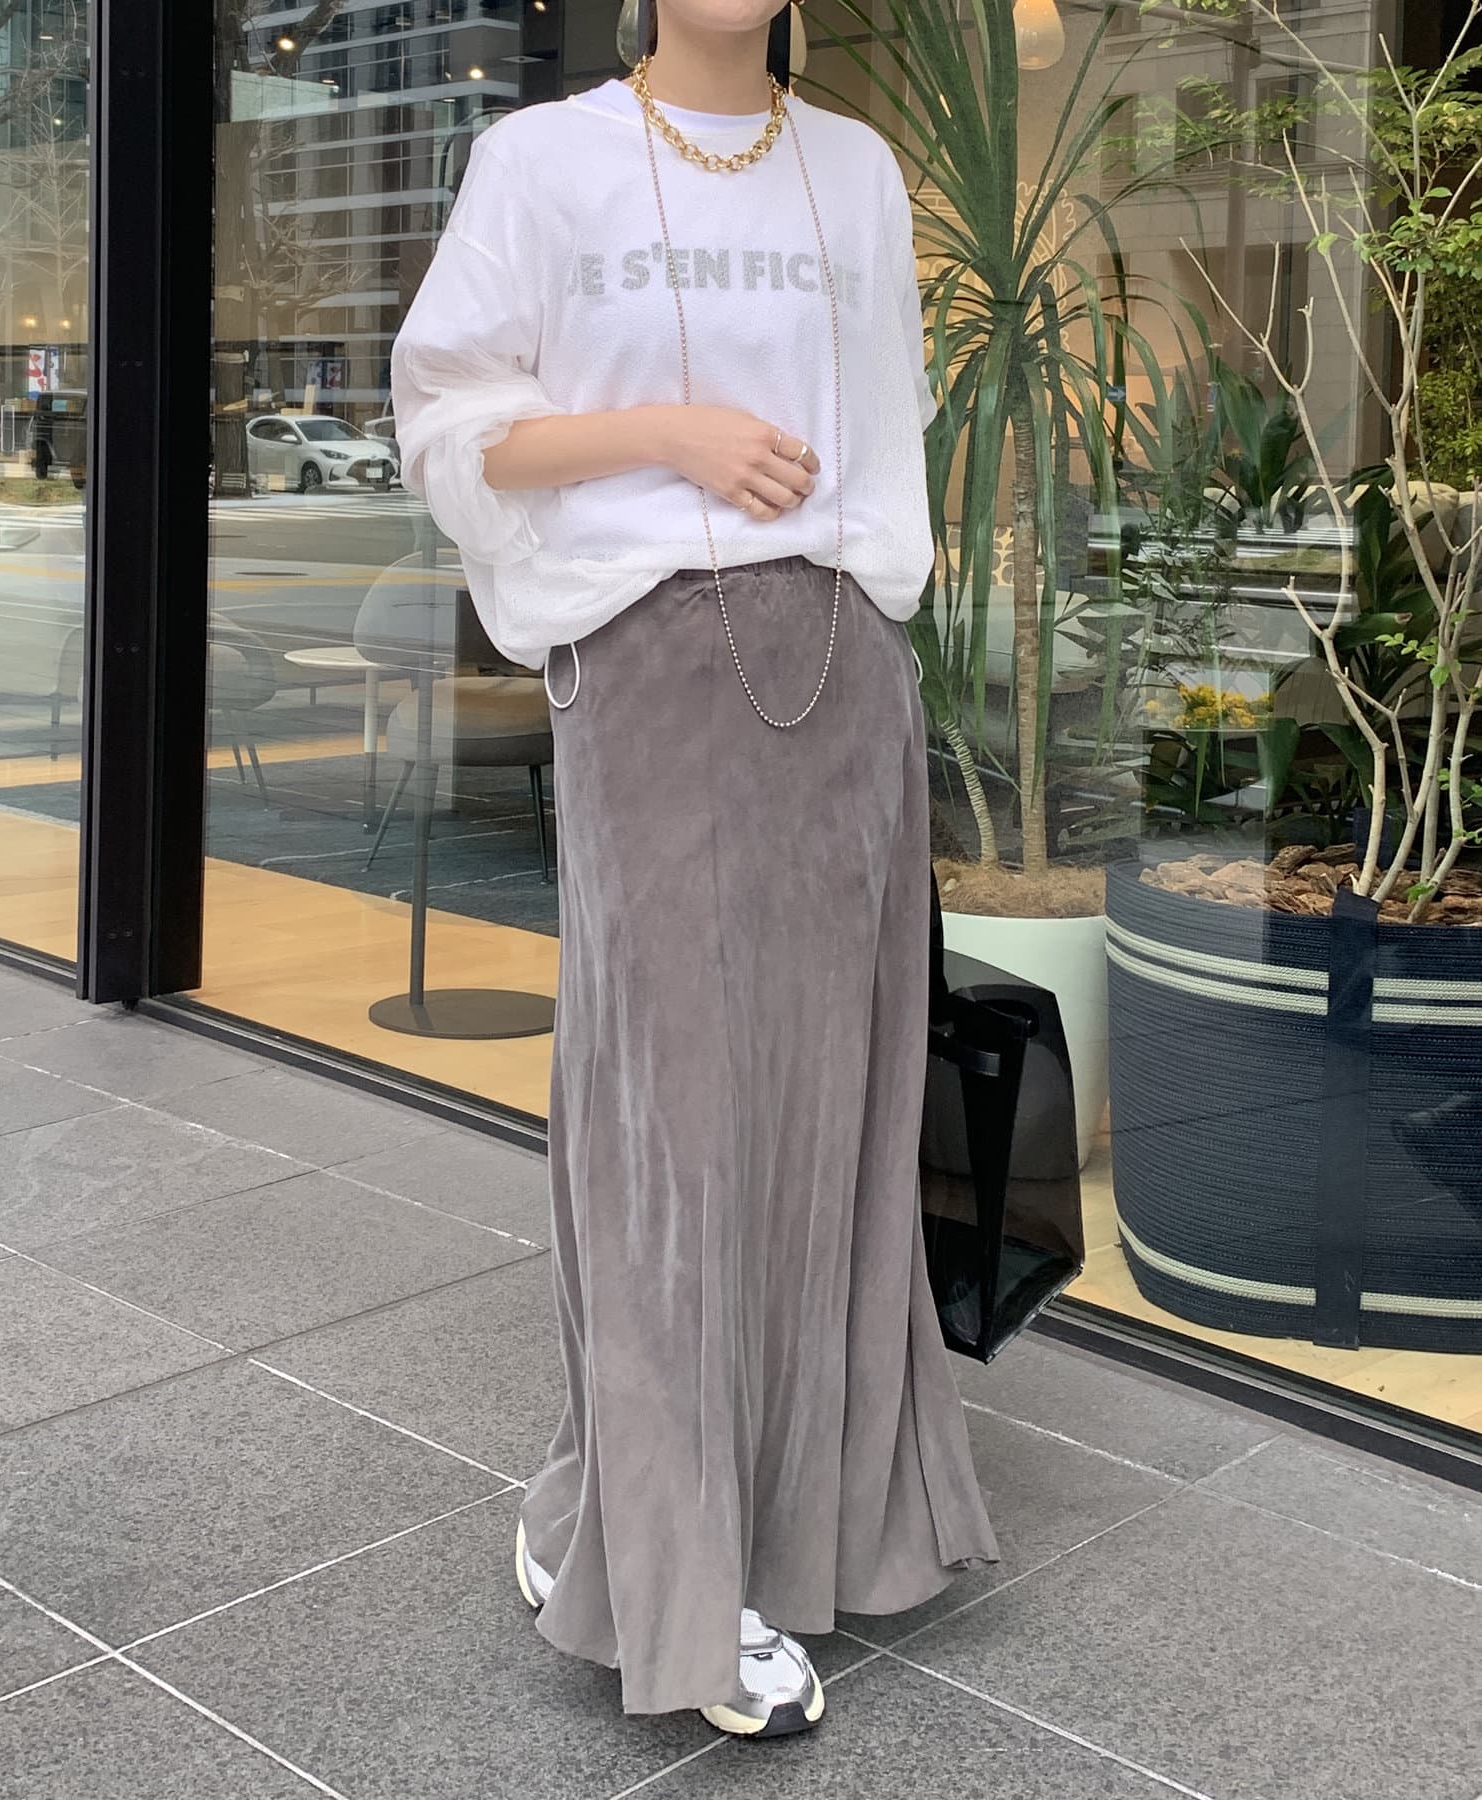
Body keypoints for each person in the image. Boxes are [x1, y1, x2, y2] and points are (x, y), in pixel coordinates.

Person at [391, 0, 997, 1741]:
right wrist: (669, 432)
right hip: (653, 669)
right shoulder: (544, 159)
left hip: (846, 671)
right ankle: (667, 1557)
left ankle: (815, 1518)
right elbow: (450, 424)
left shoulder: (859, 171)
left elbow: (885, 437)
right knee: (670, 1120)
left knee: (834, 1103)